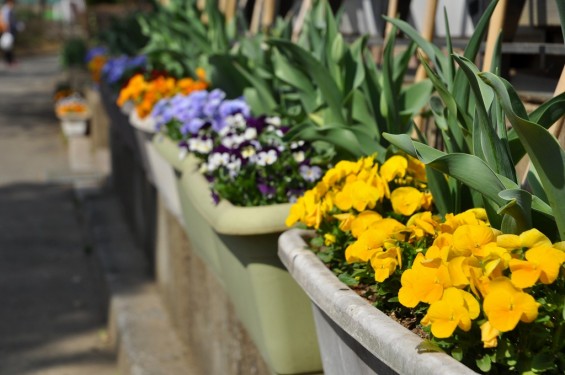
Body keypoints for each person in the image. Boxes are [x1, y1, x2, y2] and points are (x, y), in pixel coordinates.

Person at [0, 0, 17, 66]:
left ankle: (9, 60)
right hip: (6, 30)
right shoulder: (6, 10)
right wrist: (6, 29)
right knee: (7, 46)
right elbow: (6, 21)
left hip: (6, 30)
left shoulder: (6, 9)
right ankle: (9, 60)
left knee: (7, 46)